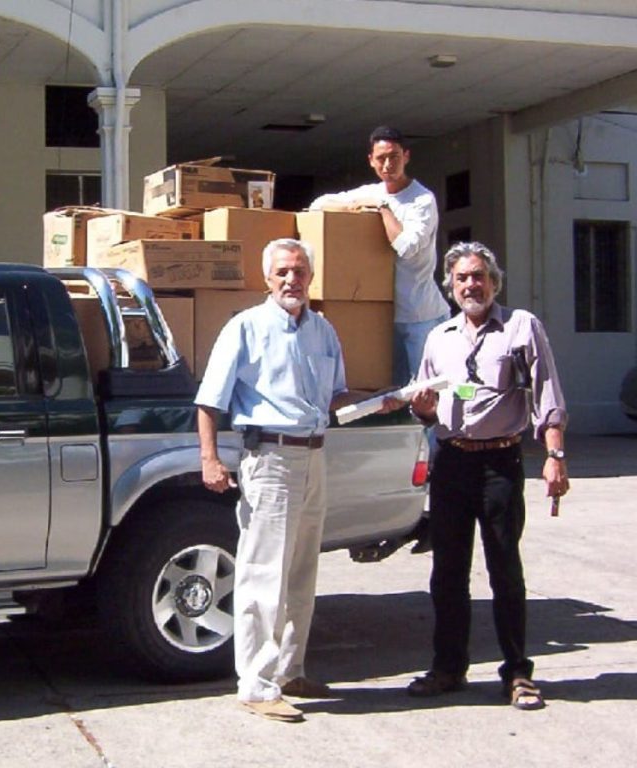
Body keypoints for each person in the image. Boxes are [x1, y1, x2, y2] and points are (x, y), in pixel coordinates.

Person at [195, 238, 368, 723]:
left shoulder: (323, 330)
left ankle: (291, 671)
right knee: (263, 573)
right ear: (268, 279)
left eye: (300, 271)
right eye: (283, 272)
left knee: (301, 572)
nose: (292, 280)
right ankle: (255, 684)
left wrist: (382, 400)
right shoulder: (245, 328)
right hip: (269, 459)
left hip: (314, 456)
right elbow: (209, 402)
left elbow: (334, 397)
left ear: (311, 276)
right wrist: (210, 459)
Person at [406, 241, 569, 711]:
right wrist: (422, 408)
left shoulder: (522, 327)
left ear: (494, 282)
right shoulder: (440, 337)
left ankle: (517, 673)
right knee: (448, 573)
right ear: (450, 287)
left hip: (501, 463)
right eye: (461, 278)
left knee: (505, 569)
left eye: (478, 276)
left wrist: (554, 455)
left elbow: (548, 395)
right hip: (452, 462)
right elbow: (428, 402)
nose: (470, 285)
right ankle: (448, 668)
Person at [309, 125, 450, 386]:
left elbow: (407, 247)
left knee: (427, 392)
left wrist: (383, 209)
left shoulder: (422, 200)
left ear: (406, 156)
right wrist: (356, 206)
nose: (387, 165)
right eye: (381, 158)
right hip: (383, 315)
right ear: (371, 161)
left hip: (420, 316)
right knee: (391, 393)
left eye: (394, 156)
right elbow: (319, 204)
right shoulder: (371, 192)